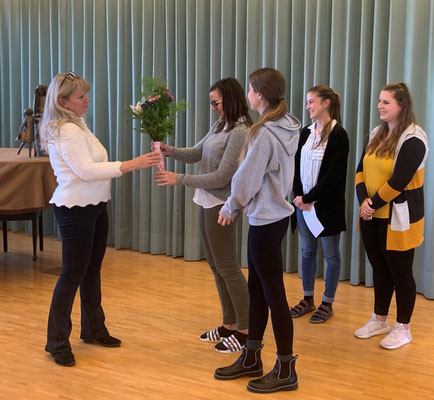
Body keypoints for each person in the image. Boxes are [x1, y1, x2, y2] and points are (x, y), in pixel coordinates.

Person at [39, 72, 162, 367]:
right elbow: (86, 170)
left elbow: (93, 166)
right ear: (62, 101)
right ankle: (56, 341)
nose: (87, 100)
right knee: (71, 275)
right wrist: (130, 165)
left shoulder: (77, 125)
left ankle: (94, 329)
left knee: (91, 270)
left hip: (94, 204)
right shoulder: (65, 130)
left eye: (86, 94)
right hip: (75, 209)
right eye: (81, 96)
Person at [213, 67, 301, 394]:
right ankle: (252, 356)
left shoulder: (264, 133)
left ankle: (286, 368)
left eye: (250, 89)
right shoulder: (287, 125)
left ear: (259, 95)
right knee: (258, 290)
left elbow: (246, 177)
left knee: (273, 293)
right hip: (271, 217)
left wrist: (230, 205)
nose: (248, 94)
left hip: (265, 219)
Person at [154, 78, 252, 353]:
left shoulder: (241, 130)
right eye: (211, 102)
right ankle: (229, 324)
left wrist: (179, 179)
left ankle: (246, 330)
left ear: (230, 100)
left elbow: (224, 176)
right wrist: (169, 151)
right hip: (206, 200)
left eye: (215, 102)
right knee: (215, 265)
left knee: (228, 267)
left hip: (221, 204)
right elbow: (198, 153)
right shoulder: (221, 125)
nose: (212, 108)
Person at [354, 82, 428, 350]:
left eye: (386, 102)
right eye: (380, 101)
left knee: (401, 273)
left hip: (399, 218)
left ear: (401, 105)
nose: (380, 106)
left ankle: (403, 327)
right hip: (371, 215)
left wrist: (371, 203)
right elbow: (360, 169)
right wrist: (364, 201)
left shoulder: (414, 138)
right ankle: (379, 319)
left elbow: (400, 180)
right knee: (380, 270)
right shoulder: (377, 132)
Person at [291, 85, 349, 323]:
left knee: (331, 256)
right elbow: (296, 167)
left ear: (326, 103)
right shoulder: (305, 132)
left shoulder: (338, 134)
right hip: (303, 205)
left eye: (312, 102)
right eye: (307, 102)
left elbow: (333, 177)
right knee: (307, 252)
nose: (308, 107)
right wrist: (298, 196)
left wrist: (308, 198)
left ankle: (327, 302)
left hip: (324, 207)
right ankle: (307, 298)